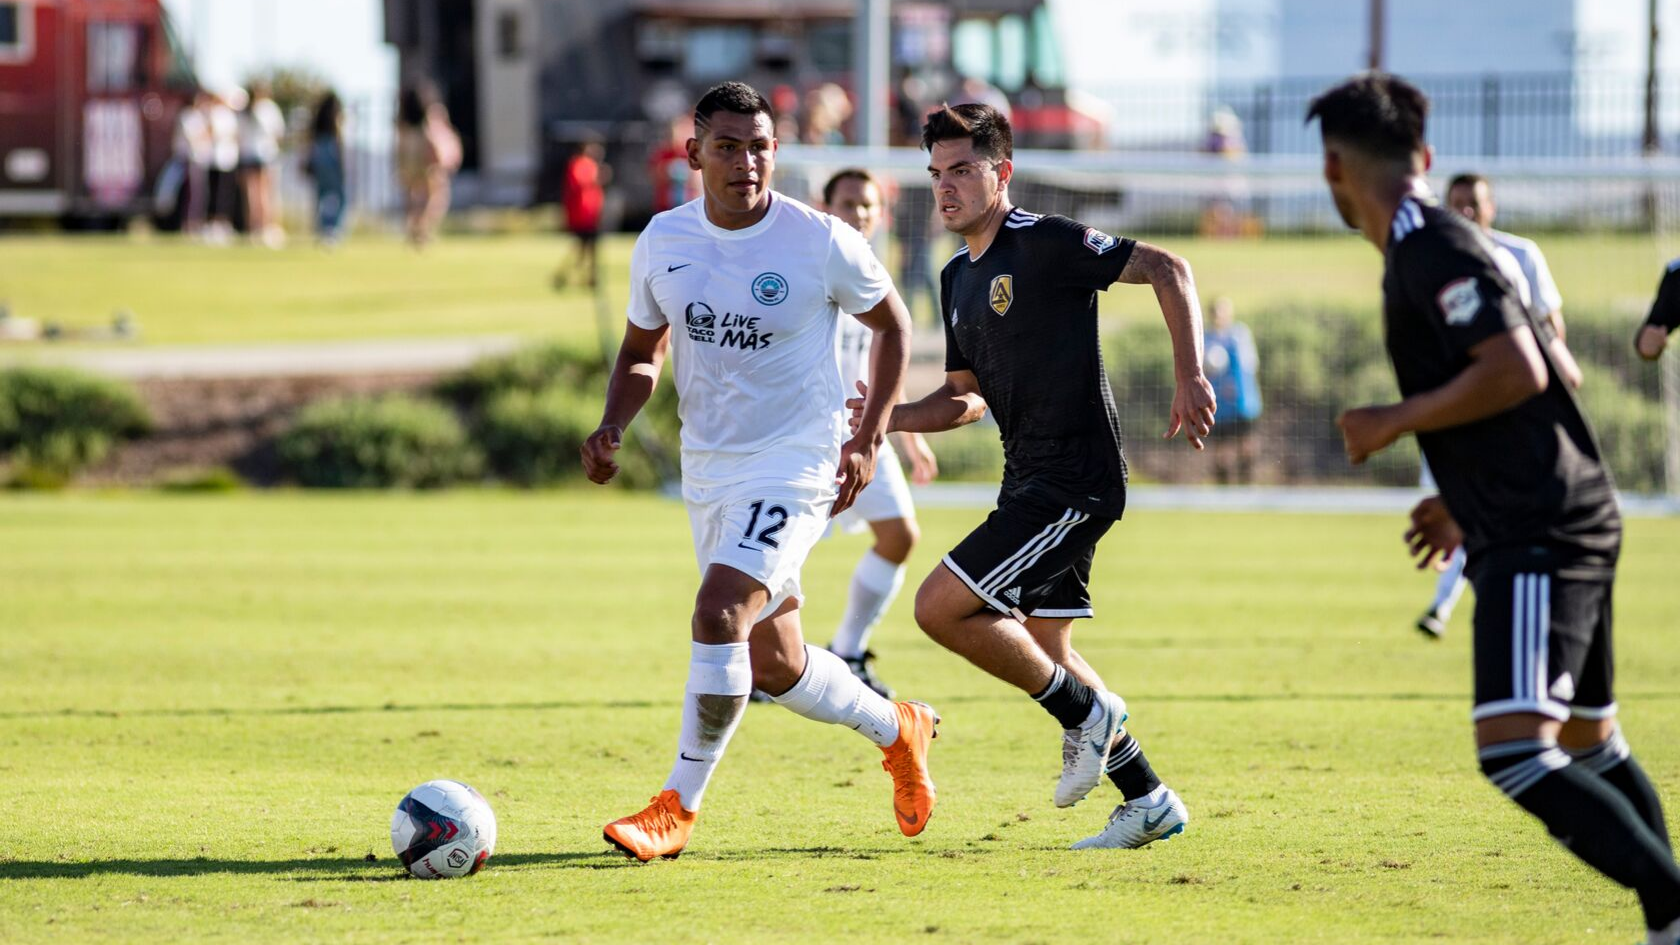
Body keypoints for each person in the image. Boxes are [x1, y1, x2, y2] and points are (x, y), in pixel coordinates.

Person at [1313, 73, 1680, 945]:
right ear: (1427, 159)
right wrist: (1452, 496)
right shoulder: (1427, 243)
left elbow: (1521, 369)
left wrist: (1392, 421)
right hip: (1553, 506)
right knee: (1591, 744)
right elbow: (1510, 391)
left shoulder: (1429, 246)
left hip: (1540, 527)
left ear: (1333, 168)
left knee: (1517, 749)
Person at [581, 82, 937, 863]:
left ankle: (677, 805)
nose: (749, 162)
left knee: (717, 614)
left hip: (800, 460)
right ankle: (897, 726)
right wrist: (613, 422)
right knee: (774, 664)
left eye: (762, 147)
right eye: (730, 147)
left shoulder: (818, 239)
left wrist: (870, 435)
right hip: (710, 466)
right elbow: (645, 352)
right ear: (694, 154)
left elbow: (894, 326)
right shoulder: (663, 241)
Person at [853, 102, 1211, 850]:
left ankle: (1086, 716)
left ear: (1001, 172)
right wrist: (883, 417)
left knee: (939, 607)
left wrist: (1191, 373)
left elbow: (1168, 267)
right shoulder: (955, 278)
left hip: (1073, 481)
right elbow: (963, 398)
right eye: (936, 174)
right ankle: (1148, 797)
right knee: (1050, 654)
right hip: (1029, 483)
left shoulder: (1044, 241)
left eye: (961, 170)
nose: (944, 187)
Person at [1415, 172, 1585, 638]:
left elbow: (1552, 329)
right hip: (1457, 415)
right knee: (1460, 512)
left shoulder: (1521, 254)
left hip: (1515, 414)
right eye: (1458, 203)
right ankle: (1455, 605)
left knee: (1505, 519)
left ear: (1492, 208)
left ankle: (1458, 607)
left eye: (1475, 203)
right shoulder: (1431, 263)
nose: (1467, 211)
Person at [819, 168, 939, 699]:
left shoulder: (875, 274)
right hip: (813, 440)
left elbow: (888, 357)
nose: (859, 214)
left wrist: (909, 434)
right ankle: (767, 665)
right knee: (781, 555)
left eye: (868, 205)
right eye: (848, 203)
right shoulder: (812, 267)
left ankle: (847, 649)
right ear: (827, 208)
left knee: (899, 535)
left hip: (868, 435)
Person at [1202, 297, 1261, 484]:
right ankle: (1224, 493)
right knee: (1221, 451)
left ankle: (1247, 487)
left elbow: (1250, 365)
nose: (1220, 316)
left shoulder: (1240, 335)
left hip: (1243, 403)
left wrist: (1235, 385)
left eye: (1224, 311)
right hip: (1218, 405)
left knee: (1246, 446)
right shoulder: (1205, 338)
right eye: (1216, 312)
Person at [396, 85, 460, 247]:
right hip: (426, 162)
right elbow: (435, 142)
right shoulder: (429, 118)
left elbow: (399, 148)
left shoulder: (404, 124)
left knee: (413, 198)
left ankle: (415, 229)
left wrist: (400, 166)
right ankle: (422, 228)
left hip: (410, 161)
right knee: (436, 196)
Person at [553, 138, 609, 291]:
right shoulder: (579, 164)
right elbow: (578, 184)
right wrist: (597, 178)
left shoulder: (591, 165)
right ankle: (573, 276)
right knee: (583, 248)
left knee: (587, 249)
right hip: (582, 214)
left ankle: (588, 277)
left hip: (591, 214)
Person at [237, 81, 287, 248]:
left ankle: (254, 229)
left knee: (252, 196)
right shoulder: (267, 109)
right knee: (265, 195)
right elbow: (278, 133)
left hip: (247, 156)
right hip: (264, 155)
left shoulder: (242, 111)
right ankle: (266, 228)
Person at [303, 92, 347, 246]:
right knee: (339, 196)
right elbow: (339, 143)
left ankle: (321, 228)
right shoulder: (336, 120)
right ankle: (333, 228)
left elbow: (309, 145)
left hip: (319, 160)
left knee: (321, 195)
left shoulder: (316, 123)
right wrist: (342, 167)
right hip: (331, 159)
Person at [1635, 259, 1680, 361]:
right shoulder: (1672, 319)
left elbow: (1671, 268)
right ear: (1664, 344)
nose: (1651, 340)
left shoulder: (1660, 312)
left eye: (1647, 342)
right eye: (1653, 345)